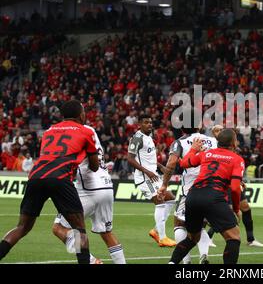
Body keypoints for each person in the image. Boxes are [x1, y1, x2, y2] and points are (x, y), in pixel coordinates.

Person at [0, 100, 99, 264]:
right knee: (79, 230)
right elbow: (95, 166)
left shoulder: (49, 131)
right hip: (60, 178)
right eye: (83, 112)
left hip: (36, 176)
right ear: (80, 115)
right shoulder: (85, 132)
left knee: (22, 227)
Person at [168, 129, 245, 264]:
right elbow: (234, 188)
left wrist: (193, 150)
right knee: (234, 237)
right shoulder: (237, 159)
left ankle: (172, 263)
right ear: (233, 143)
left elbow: (184, 163)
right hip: (213, 197)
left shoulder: (206, 154)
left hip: (192, 196)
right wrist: (237, 208)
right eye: (236, 139)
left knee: (192, 238)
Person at [52, 125, 126, 264]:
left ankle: (91, 261)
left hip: (87, 189)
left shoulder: (74, 132)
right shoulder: (91, 132)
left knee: (59, 228)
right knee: (106, 232)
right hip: (106, 186)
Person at [158, 114, 218, 264]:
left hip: (191, 191)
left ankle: (186, 261)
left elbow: (171, 163)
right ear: (198, 124)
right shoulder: (212, 140)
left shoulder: (180, 142)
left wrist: (164, 184)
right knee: (201, 225)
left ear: (182, 127)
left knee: (179, 224)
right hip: (212, 189)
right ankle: (204, 255)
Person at [207, 125, 263, 248]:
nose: (219, 132)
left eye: (221, 130)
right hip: (224, 183)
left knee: (245, 207)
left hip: (234, 181)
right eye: (217, 130)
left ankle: (251, 239)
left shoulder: (230, 145)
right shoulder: (214, 145)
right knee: (226, 212)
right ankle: (208, 237)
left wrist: (239, 180)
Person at [127, 115, 177, 247]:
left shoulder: (149, 137)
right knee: (160, 202)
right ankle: (162, 237)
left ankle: (155, 231)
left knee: (171, 198)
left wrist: (160, 167)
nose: (149, 124)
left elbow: (149, 158)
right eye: (146, 122)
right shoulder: (137, 138)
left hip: (153, 175)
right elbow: (130, 159)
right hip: (145, 178)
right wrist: (147, 172)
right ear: (139, 124)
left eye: (150, 122)